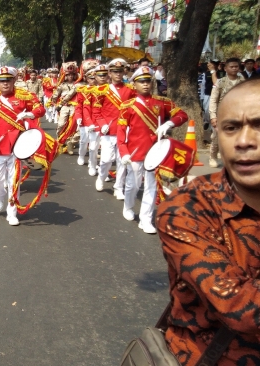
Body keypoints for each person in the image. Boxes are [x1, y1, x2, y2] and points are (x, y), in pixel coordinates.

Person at [157, 78, 260, 366]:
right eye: (231, 128)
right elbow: (240, 307)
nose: (244, 141)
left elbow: (175, 113)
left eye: (259, 125)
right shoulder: (186, 206)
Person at [117, 66, 187, 234]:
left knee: (151, 187)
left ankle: (145, 219)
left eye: (148, 81)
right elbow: (121, 131)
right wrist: (124, 152)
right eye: (141, 81)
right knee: (133, 185)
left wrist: (169, 123)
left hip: (155, 152)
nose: (146, 84)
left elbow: (182, 115)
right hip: (135, 152)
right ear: (134, 84)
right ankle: (128, 205)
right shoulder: (128, 105)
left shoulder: (162, 102)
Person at [0, 66, 45, 226]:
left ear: (14, 80)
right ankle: (0, 196)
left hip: (18, 145)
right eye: (1, 81)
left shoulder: (24, 96)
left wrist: (30, 114)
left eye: (8, 80)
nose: (5, 84)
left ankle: (12, 211)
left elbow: (40, 108)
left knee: (13, 180)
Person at [92, 58, 136, 199]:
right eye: (114, 71)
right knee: (106, 159)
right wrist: (102, 124)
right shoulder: (102, 90)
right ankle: (101, 177)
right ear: (109, 73)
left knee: (122, 160)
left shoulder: (130, 90)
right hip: (108, 131)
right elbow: (96, 112)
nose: (118, 74)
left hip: (124, 130)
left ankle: (118, 187)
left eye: (120, 71)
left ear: (124, 72)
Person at [209, 57, 244, 169]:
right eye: (232, 67)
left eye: (236, 67)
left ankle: (232, 159)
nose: (234, 69)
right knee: (216, 137)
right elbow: (213, 100)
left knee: (236, 138)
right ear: (225, 68)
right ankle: (213, 157)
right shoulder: (220, 82)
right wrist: (213, 116)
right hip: (222, 114)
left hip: (238, 114)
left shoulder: (242, 82)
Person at [50, 62, 78, 154]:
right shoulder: (62, 85)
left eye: (72, 75)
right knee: (61, 124)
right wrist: (54, 102)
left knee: (73, 125)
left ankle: (70, 142)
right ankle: (60, 140)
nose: (70, 76)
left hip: (74, 106)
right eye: (68, 75)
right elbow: (55, 95)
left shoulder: (78, 84)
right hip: (64, 106)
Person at [74, 63, 98, 167]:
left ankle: (93, 162)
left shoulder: (102, 90)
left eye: (94, 78)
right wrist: (78, 117)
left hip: (97, 120)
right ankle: (81, 156)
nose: (93, 80)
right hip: (84, 119)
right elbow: (78, 106)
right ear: (87, 79)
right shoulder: (82, 90)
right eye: (91, 78)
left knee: (95, 144)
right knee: (84, 141)